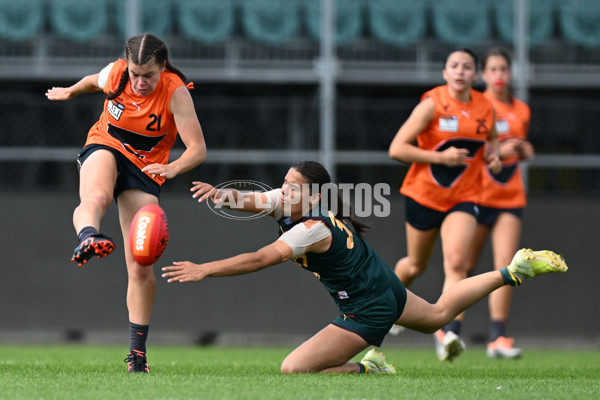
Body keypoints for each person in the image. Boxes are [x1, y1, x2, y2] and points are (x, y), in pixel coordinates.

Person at [161, 161, 567, 374]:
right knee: (441, 314)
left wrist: (205, 269)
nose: (282, 190)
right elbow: (254, 201)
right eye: (284, 182)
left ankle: (366, 367)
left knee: (292, 369)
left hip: (367, 310)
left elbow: (260, 259)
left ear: (314, 195)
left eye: (292, 186)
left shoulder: (310, 228)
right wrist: (220, 196)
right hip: (386, 286)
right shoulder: (291, 204)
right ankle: (514, 271)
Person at [45, 33, 207, 373]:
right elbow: (93, 81)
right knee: (96, 196)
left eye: (147, 74)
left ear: (162, 68)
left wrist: (172, 167)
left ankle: (137, 355)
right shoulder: (117, 73)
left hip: (147, 168)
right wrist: (70, 91)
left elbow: (197, 149)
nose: (140, 81)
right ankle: (88, 236)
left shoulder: (175, 92)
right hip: (106, 144)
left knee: (140, 263)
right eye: (135, 73)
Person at [388, 48, 502, 362]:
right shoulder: (432, 105)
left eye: (467, 67)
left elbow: (491, 140)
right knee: (415, 265)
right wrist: (440, 157)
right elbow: (396, 149)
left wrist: (493, 157)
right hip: (423, 195)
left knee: (456, 262)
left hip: (464, 196)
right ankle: (385, 305)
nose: (461, 71)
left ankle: (448, 332)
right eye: (454, 66)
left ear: (475, 75)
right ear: (444, 72)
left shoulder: (485, 107)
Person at [463, 48, 535, 359]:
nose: (499, 75)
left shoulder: (522, 110)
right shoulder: (477, 106)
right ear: (484, 74)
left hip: (510, 197)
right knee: (463, 265)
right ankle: (448, 328)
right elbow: (474, 153)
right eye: (493, 69)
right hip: (478, 196)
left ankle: (498, 337)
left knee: (507, 265)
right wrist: (504, 150)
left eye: (504, 69)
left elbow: (517, 153)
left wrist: (524, 151)